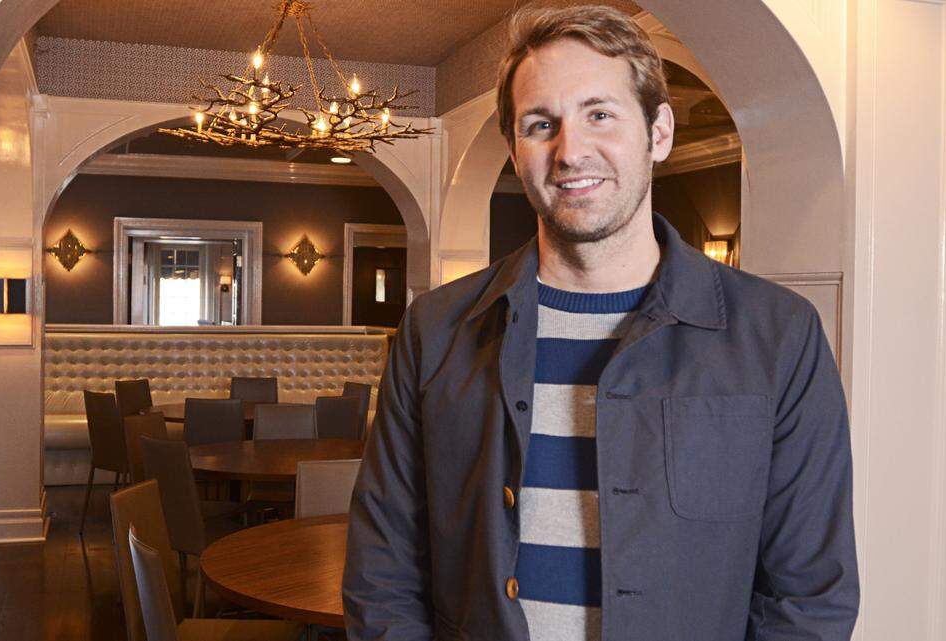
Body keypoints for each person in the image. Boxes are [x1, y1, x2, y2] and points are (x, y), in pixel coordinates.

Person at [342, 5, 859, 641]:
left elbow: (809, 596)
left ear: (659, 132)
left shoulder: (779, 335)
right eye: (540, 124)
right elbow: (382, 568)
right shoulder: (435, 330)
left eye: (600, 114)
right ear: (515, 148)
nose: (571, 151)